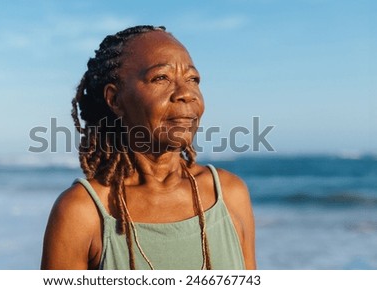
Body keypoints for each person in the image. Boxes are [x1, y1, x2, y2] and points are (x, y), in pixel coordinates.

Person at [41, 25, 256, 270]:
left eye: (193, 79)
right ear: (115, 99)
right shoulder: (82, 212)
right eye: (161, 78)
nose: (186, 93)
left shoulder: (230, 194)